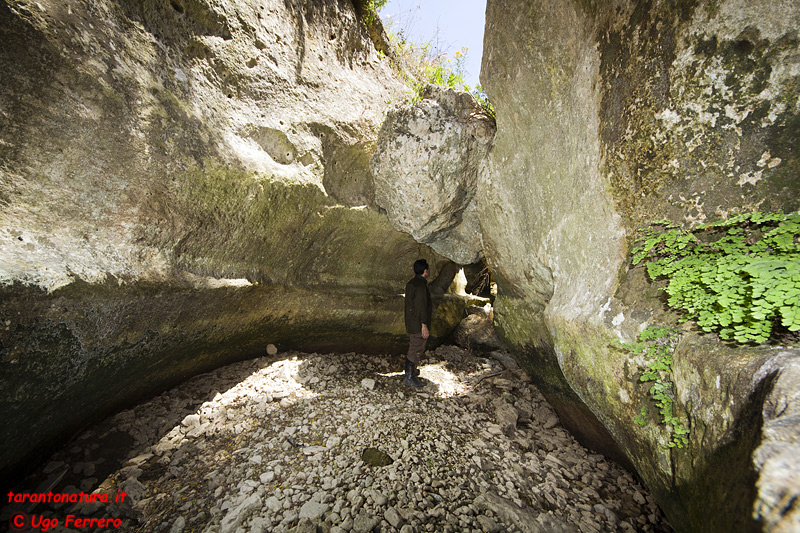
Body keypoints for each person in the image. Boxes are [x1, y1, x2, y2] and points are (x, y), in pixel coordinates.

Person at [403, 259, 432, 388]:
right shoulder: (420, 286)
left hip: (412, 321)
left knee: (416, 346)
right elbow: (420, 307)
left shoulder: (412, 283)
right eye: (428, 269)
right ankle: (409, 376)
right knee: (415, 347)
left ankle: (412, 370)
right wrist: (424, 325)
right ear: (425, 271)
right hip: (418, 323)